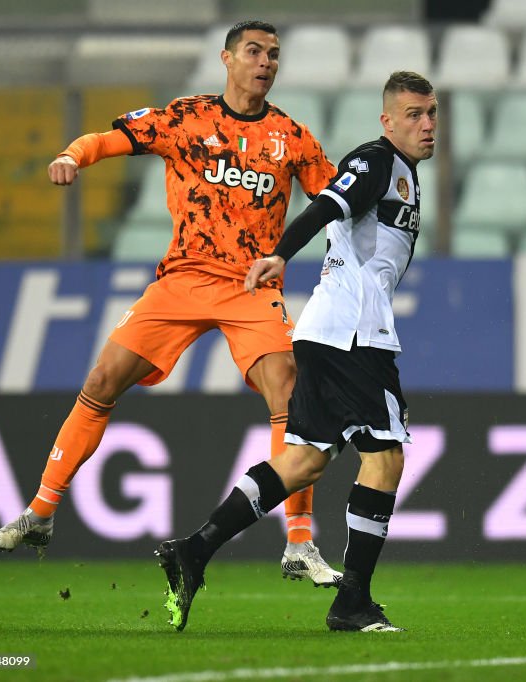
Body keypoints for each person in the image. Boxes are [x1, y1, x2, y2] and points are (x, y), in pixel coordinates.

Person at [0, 19, 342, 588]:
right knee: (102, 379)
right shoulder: (185, 117)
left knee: (288, 388)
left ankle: (299, 544)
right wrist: (73, 156)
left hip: (251, 286)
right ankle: (41, 513)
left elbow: (335, 200)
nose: (266, 62)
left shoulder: (292, 137)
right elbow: (109, 138)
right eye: (254, 51)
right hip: (182, 280)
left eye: (274, 54)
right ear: (227, 59)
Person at [155, 70, 437, 633]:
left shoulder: (403, 171)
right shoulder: (376, 160)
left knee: (305, 460)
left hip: (328, 332)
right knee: (385, 459)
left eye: (431, 113)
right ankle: (352, 601)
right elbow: (326, 207)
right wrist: (281, 254)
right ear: (387, 121)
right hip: (354, 334)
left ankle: (195, 549)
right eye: (413, 114)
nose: (427, 125)